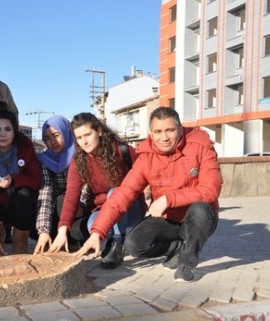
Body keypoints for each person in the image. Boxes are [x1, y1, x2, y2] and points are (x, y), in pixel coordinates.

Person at [75, 107, 222, 282]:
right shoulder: (146, 157)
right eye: (158, 132)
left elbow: (210, 189)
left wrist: (168, 199)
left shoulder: (201, 146)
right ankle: (178, 248)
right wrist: (97, 232)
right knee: (134, 244)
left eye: (170, 130)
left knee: (201, 210)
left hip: (197, 218)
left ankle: (187, 261)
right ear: (151, 133)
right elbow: (124, 193)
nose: (164, 137)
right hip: (168, 220)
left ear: (180, 129)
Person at [48, 112, 145, 270]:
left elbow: (149, 173)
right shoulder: (79, 161)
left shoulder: (121, 151)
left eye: (87, 135)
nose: (84, 142)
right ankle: (112, 239)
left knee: (116, 193)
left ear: (99, 131)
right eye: (79, 138)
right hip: (103, 209)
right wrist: (62, 230)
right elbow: (71, 196)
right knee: (92, 224)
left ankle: (118, 244)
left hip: (131, 208)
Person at [0, 101, 41, 256]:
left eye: (7, 129)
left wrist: (15, 180)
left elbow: (36, 180)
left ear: (14, 132)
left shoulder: (25, 150)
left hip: (19, 206)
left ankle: (20, 243)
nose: (2, 134)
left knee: (26, 195)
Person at [32, 115, 91, 254]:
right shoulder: (45, 161)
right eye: (47, 138)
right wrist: (43, 231)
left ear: (66, 132)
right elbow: (45, 193)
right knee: (56, 204)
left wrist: (81, 205)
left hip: (80, 209)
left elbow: (86, 187)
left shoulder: (82, 155)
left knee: (77, 228)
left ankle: (75, 240)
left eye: (56, 135)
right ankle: (59, 238)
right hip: (57, 213)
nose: (52, 141)